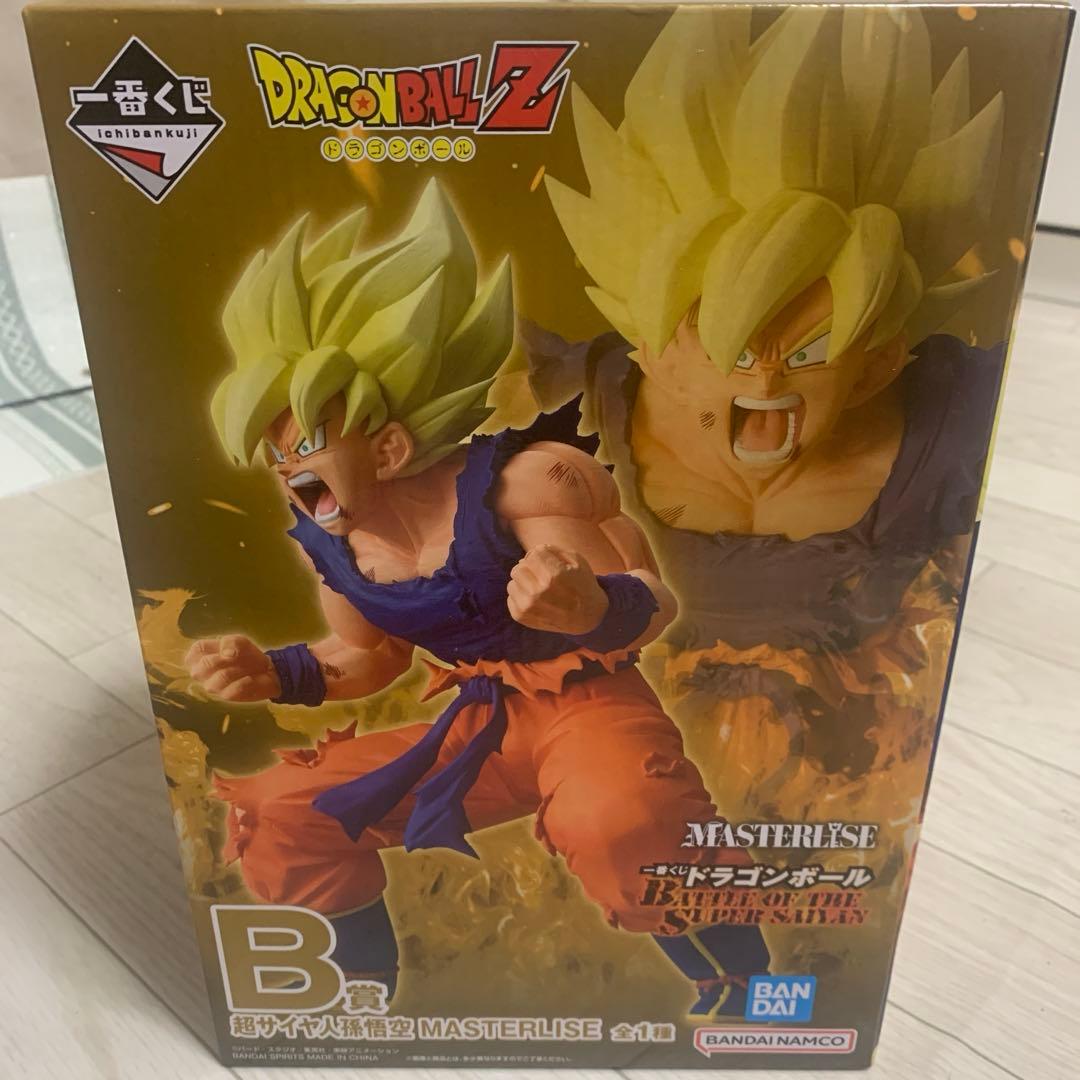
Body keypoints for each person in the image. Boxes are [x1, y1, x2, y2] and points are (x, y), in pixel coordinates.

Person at [186, 180, 769, 1018]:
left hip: (589, 704)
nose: (291, 474)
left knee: (623, 820)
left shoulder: (527, 484)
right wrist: (273, 671)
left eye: (306, 445)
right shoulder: (333, 544)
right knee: (282, 812)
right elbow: (365, 657)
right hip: (480, 725)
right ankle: (359, 997)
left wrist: (589, 605)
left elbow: (652, 598)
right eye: (277, 458)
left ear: (389, 446)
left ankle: (744, 983)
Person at [537, 7, 1006, 813]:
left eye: (810, 348)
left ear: (879, 362)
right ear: (655, 351)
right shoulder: (559, 401)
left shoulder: (956, 420)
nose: (766, 376)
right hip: (612, 756)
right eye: (731, 345)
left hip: (849, 779)